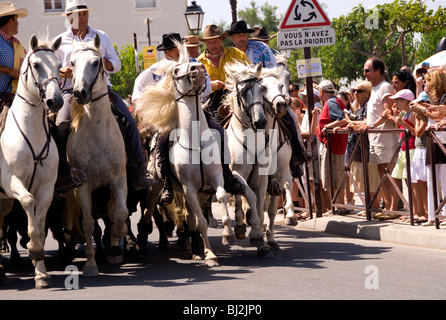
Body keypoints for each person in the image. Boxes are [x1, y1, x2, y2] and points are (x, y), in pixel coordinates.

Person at [134, 33, 245, 203]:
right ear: (166, 52)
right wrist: (139, 102)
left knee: (221, 134)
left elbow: (207, 87)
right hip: (170, 115)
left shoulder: (194, 64)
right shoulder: (157, 69)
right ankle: (166, 184)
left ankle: (227, 175)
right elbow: (139, 83)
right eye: (171, 50)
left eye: (177, 48)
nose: (175, 53)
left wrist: (199, 85)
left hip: (197, 112)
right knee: (162, 141)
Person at [55, 0, 154, 191]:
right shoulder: (60, 42)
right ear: (69, 18)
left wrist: (102, 63)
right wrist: (63, 71)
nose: (83, 18)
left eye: (85, 14)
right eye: (78, 15)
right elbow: (52, 67)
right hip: (71, 91)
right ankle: (62, 174)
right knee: (61, 126)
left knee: (130, 122)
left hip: (101, 91)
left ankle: (139, 169)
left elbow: (116, 64)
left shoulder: (101, 36)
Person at [363, 57, 399, 213]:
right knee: (381, 173)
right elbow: (374, 114)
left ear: (377, 70)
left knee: (389, 172)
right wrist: (362, 124)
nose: (365, 74)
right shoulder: (374, 88)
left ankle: (394, 207)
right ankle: (387, 205)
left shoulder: (385, 87)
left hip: (385, 138)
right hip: (374, 138)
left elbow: (387, 112)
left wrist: (371, 125)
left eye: (367, 70)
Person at [411, 68, 446, 226]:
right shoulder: (433, 100)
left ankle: (444, 215)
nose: (426, 83)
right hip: (433, 142)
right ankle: (433, 216)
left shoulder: (444, 98)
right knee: (431, 179)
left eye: (428, 80)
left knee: (445, 180)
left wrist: (422, 109)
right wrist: (423, 109)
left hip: (443, 142)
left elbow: (438, 116)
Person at [198, 24, 250, 124]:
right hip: (214, 103)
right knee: (218, 131)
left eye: (216, 41)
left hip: (241, 98)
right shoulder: (199, 63)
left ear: (221, 40)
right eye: (209, 42)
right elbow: (195, 87)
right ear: (205, 43)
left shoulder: (236, 54)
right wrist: (211, 85)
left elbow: (251, 73)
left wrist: (236, 83)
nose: (213, 46)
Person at [316, 80, 349, 215]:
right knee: (334, 177)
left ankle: (338, 207)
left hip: (333, 145)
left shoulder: (331, 102)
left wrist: (326, 127)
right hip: (335, 144)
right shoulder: (334, 101)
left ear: (322, 91)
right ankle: (337, 206)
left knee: (333, 178)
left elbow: (343, 119)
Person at [387, 89, 418, 220]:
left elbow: (416, 132)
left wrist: (403, 123)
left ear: (405, 101)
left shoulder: (412, 114)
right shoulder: (404, 113)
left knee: (413, 183)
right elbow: (398, 128)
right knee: (404, 180)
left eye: (398, 100)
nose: (395, 103)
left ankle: (416, 211)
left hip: (411, 148)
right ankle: (412, 210)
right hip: (404, 149)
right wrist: (395, 118)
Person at [0, 2, 27, 107]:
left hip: (17, 97)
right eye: (16, 19)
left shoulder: (17, 44)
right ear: (10, 21)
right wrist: (9, 71)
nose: (18, 23)